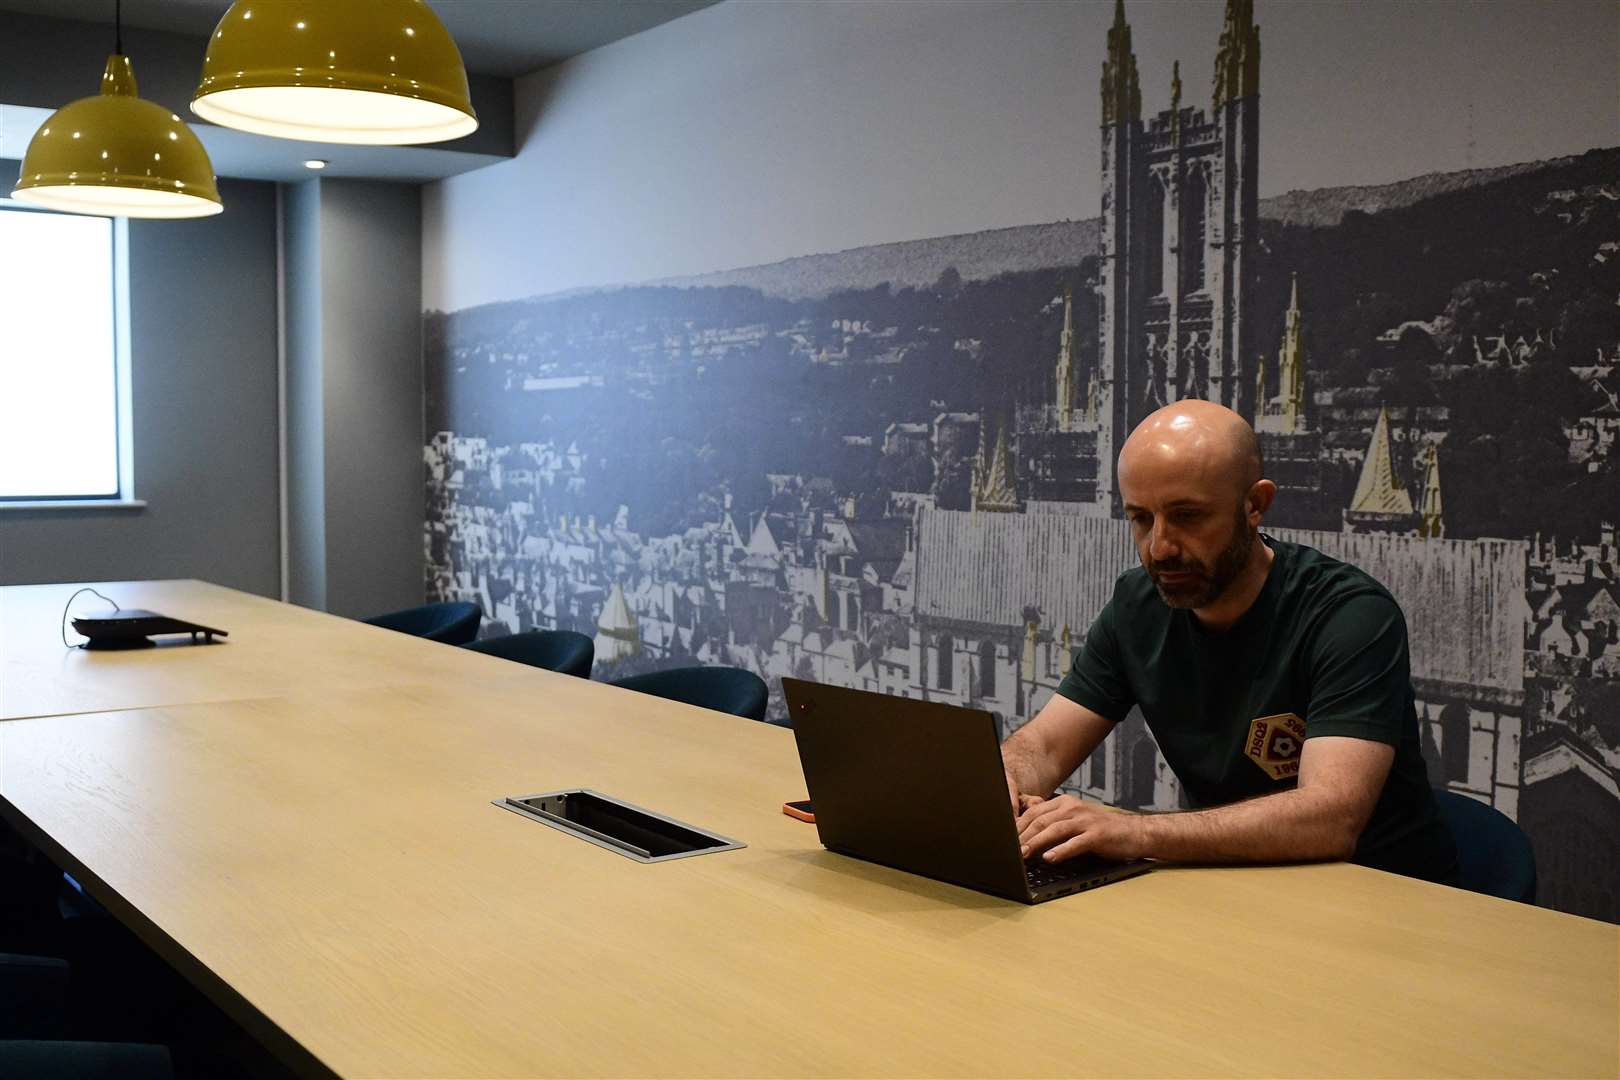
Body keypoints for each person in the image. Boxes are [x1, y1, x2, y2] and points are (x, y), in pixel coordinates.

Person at [1004, 400, 1459, 884]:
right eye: (1140, 518)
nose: (1159, 547)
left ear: (1255, 505)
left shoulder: (1350, 615)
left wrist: (1132, 832)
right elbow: (1046, 747)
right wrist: (1002, 783)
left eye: (1187, 516)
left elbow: (1330, 818)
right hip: (1236, 884)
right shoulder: (1136, 605)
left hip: (1381, 897)